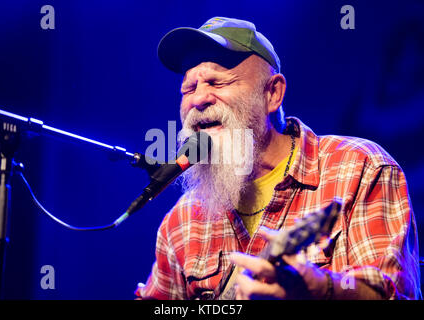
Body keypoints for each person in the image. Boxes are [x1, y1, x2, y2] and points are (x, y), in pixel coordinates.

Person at [134, 17, 421, 300]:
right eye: (189, 88)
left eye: (216, 82)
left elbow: (394, 293)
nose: (198, 99)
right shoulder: (182, 220)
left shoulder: (359, 168)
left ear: (272, 93)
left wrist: (319, 288)